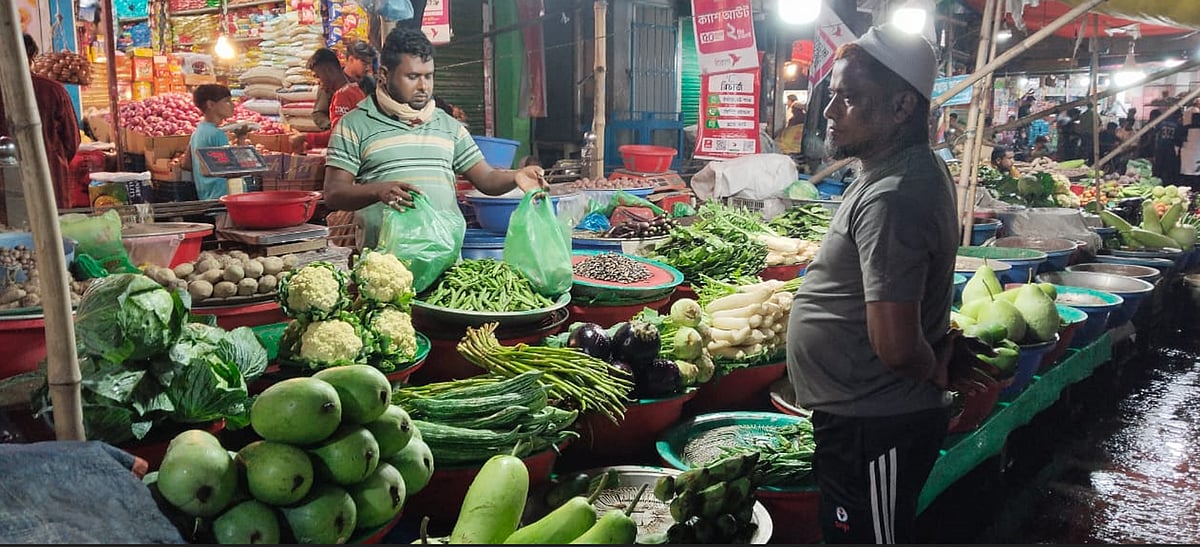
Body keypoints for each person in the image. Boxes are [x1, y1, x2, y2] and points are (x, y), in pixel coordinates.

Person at [785, 24, 969, 544]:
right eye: (833, 95)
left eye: (848, 97)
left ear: (901, 107)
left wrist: (933, 368)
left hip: (877, 423)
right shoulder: (892, 170)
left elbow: (894, 344)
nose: (828, 111)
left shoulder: (894, 194)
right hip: (860, 418)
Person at [323, 27, 546, 249]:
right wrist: (377, 190)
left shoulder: (448, 125)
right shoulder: (354, 125)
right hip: (387, 269)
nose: (424, 86)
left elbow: (486, 178)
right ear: (384, 74)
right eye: (412, 77)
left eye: (428, 76)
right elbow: (334, 193)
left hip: (446, 266)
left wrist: (516, 175)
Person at [0, 34, 81, 209]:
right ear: (31, 57)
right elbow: (72, 142)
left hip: (6, 192)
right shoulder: (53, 90)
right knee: (54, 234)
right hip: (50, 186)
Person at [292, 48, 368, 151]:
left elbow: (339, 136)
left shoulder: (343, 95)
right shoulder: (355, 90)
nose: (317, 82)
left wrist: (305, 138)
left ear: (329, 71)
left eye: (318, 76)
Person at [186, 84, 235, 200]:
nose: (233, 105)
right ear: (211, 105)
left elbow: (186, 164)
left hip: (206, 197)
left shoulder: (197, 132)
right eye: (227, 101)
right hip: (223, 197)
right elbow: (232, 169)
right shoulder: (217, 134)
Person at [1154, 109, 1184, 185]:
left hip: (1160, 147)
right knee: (1168, 169)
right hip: (1170, 149)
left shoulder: (1162, 122)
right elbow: (1179, 140)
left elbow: (1155, 134)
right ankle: (1166, 183)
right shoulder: (1178, 125)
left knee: (1158, 167)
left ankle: (1156, 183)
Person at [1179, 100, 1200, 188]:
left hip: (1187, 151)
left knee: (1187, 174)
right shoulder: (1195, 112)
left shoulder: (1187, 112)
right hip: (1193, 150)